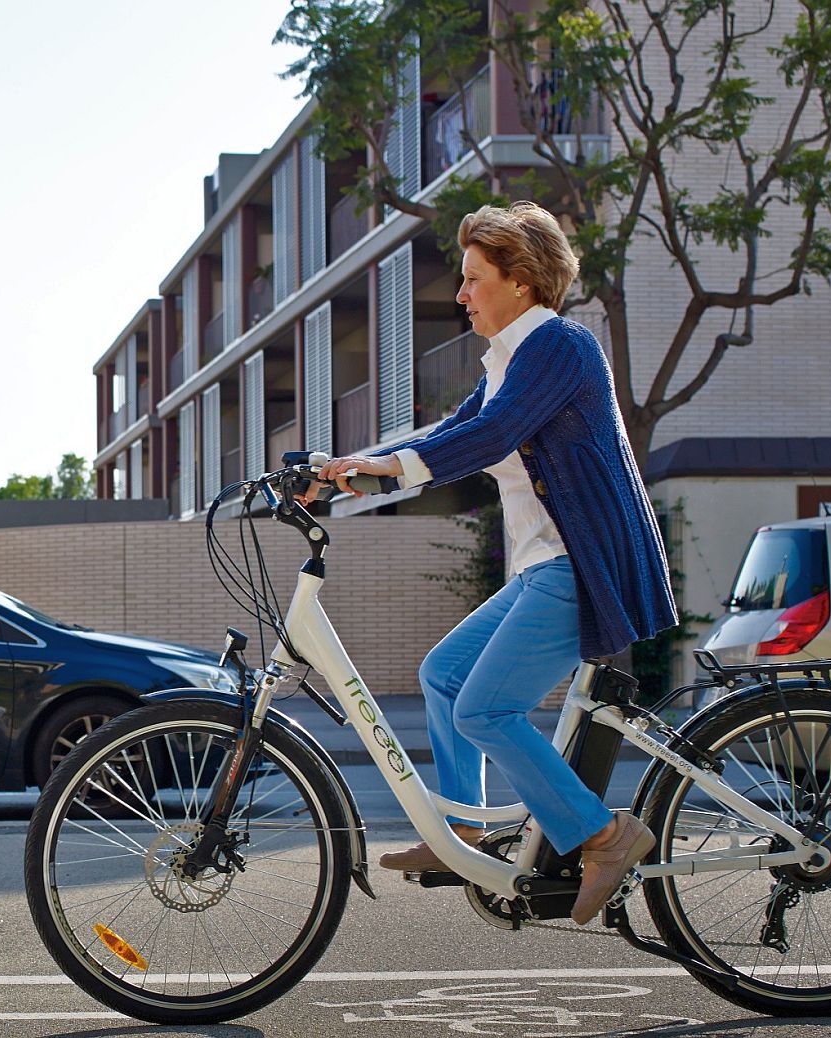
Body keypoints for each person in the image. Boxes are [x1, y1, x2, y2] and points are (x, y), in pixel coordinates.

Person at [303, 201, 678, 925]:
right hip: (545, 567)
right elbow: (461, 432)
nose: (462, 294)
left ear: (521, 281)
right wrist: (362, 469)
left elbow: (495, 433)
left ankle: (605, 835)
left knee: (485, 708)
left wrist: (386, 468)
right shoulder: (508, 361)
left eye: (475, 279)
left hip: (582, 564)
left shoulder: (561, 347)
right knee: (443, 676)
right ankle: (465, 833)